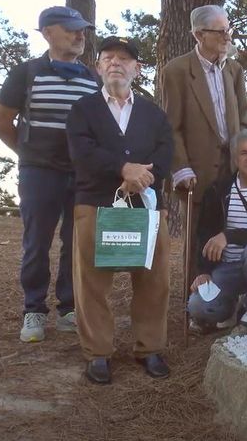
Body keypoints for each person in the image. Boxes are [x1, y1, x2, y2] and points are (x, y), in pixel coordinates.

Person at [66, 37, 173, 385]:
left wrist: (142, 177)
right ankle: (98, 354)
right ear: (98, 67)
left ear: (136, 69)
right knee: (93, 283)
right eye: (108, 57)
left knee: (154, 279)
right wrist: (123, 169)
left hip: (146, 206)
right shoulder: (83, 110)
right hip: (94, 204)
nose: (116, 63)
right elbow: (82, 151)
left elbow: (165, 153)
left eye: (124, 59)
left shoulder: (153, 113)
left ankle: (150, 348)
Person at [0, 6, 99, 343]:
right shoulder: (26, 73)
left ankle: (68, 308)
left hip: (80, 175)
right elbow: (1, 122)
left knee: (75, 244)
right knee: (36, 243)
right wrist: (29, 156)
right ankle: (34, 309)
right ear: (48, 32)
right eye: (71, 29)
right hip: (39, 174)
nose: (80, 35)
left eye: (82, 29)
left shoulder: (92, 79)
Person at [161, 4, 247, 277]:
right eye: (221, 31)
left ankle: (226, 305)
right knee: (198, 241)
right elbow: (171, 126)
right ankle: (195, 308)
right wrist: (181, 167)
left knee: (233, 235)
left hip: (233, 170)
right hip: (196, 174)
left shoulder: (234, 70)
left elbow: (244, 122)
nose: (228, 37)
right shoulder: (176, 71)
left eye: (229, 30)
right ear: (199, 35)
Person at [187, 129, 247, 334]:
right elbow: (205, 232)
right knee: (197, 306)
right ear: (235, 157)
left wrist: (229, 236)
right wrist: (204, 271)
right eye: (244, 153)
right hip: (227, 269)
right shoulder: (218, 190)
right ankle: (232, 306)